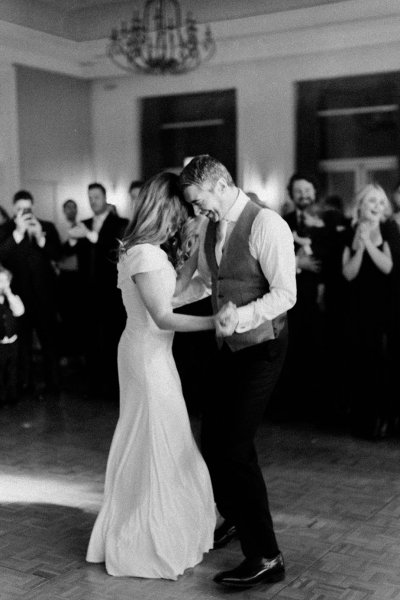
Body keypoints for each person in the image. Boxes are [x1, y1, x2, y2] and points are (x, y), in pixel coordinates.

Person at [86, 171, 225, 579]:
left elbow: (171, 295)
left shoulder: (147, 250)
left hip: (151, 355)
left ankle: (163, 525)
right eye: (184, 208)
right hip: (146, 357)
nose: (188, 215)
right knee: (155, 440)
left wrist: (201, 280)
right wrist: (216, 322)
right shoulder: (144, 254)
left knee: (163, 437)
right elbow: (164, 316)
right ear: (169, 207)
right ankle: (146, 538)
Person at [177, 155, 296, 588]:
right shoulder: (210, 226)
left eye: (198, 202)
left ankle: (266, 555)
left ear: (219, 184)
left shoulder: (267, 225)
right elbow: (209, 281)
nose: (195, 212)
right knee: (213, 439)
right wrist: (159, 297)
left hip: (262, 347)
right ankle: (233, 517)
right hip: (228, 347)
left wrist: (240, 318)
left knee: (234, 447)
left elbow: (286, 293)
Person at [342, 183, 396, 438]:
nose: (377, 206)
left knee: (381, 363)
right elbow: (348, 273)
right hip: (357, 307)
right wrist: (360, 246)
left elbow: (388, 267)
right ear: (361, 205)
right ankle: (362, 419)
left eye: (380, 202)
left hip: (384, 307)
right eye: (372, 201)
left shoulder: (388, 228)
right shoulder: (348, 231)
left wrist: (369, 244)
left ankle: (382, 420)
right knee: (358, 362)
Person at [67, 183, 128, 401]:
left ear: (105, 198)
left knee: (112, 338)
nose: (93, 201)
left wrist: (92, 236)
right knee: (91, 339)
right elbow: (66, 251)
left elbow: (116, 251)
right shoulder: (83, 224)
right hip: (88, 293)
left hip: (111, 292)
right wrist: (73, 238)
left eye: (96, 197)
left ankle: (114, 387)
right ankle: (94, 385)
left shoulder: (120, 223)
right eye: (89, 197)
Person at [0, 190, 61, 395]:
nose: (23, 212)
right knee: (23, 345)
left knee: (49, 342)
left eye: (27, 209)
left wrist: (40, 238)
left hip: (45, 297)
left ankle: (53, 385)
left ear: (32, 207)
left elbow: (58, 254)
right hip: (19, 298)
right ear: (13, 209)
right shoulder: (6, 229)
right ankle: (24, 385)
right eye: (19, 209)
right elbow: (2, 255)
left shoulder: (47, 226)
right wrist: (18, 233)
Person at [0, 266, 24, 407]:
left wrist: (9, 294)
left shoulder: (12, 298)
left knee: (12, 368)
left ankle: (12, 395)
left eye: (5, 281)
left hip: (12, 341)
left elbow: (20, 311)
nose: (2, 284)